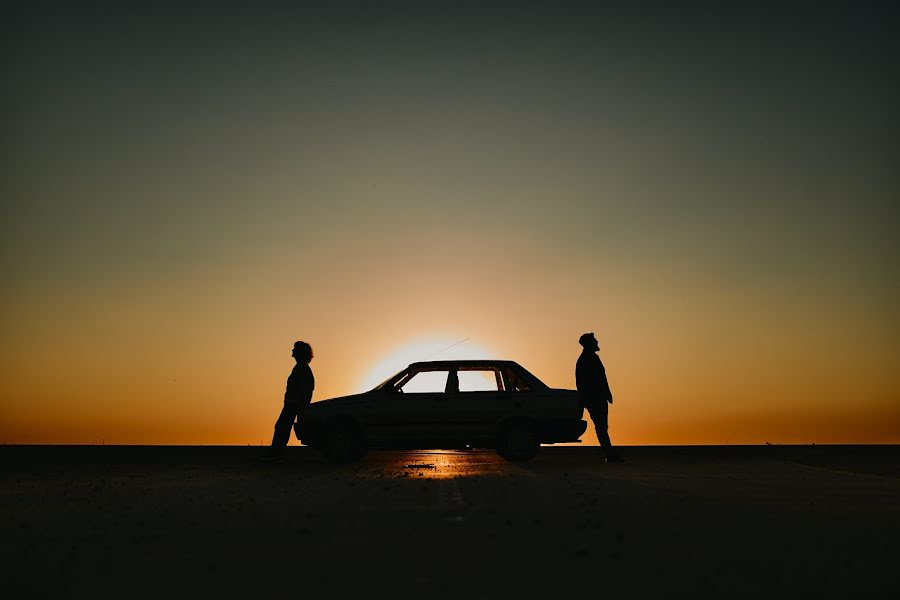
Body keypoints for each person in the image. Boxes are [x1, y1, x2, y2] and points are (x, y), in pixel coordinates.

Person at [259, 341, 315, 461]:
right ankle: (275, 453)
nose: (292, 352)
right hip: (294, 403)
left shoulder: (302, 369)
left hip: (294, 403)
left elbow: (305, 389)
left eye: (295, 349)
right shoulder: (301, 368)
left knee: (282, 427)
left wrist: (299, 403)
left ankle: (275, 454)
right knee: (282, 426)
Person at [576, 332, 624, 463]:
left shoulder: (591, 358)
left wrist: (607, 393)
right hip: (595, 399)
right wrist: (590, 398)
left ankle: (610, 454)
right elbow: (585, 382)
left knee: (602, 427)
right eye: (594, 341)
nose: (597, 342)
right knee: (601, 427)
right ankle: (610, 455)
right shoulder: (586, 360)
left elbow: (601, 379)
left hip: (598, 398)